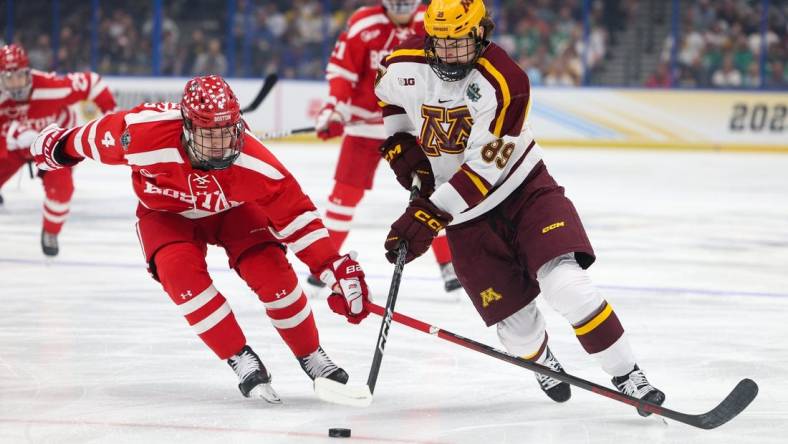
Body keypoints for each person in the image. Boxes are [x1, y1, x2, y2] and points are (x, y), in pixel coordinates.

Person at [374, 0, 665, 415]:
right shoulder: (404, 63)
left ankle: (630, 376)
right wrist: (401, 145)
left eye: (459, 43)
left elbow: (482, 170)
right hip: (466, 220)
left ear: (480, 33)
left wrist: (428, 214)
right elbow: (389, 98)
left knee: (566, 285)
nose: (449, 53)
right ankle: (541, 358)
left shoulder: (506, 81)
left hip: (523, 193)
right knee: (518, 333)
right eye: (440, 43)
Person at [31, 75, 372, 403]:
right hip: (166, 216)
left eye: (229, 131)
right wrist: (57, 147)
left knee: (275, 275)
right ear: (188, 127)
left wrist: (332, 269)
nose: (224, 144)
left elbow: (297, 216)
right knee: (180, 277)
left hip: (234, 212)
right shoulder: (142, 134)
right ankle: (240, 358)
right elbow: (91, 139)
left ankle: (312, 355)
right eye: (211, 134)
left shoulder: (255, 163)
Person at [313, 0, 462, 293]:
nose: (403, 8)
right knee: (344, 196)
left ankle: (448, 263)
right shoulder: (364, 24)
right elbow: (343, 73)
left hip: (415, 127)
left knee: (436, 192)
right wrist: (335, 111)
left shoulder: (433, 21)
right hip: (364, 128)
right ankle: (325, 264)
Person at [0, 43, 116, 256]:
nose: (15, 84)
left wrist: (113, 114)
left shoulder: (51, 86)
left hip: (51, 146)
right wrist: (12, 134)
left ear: (29, 73)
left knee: (61, 189)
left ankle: (50, 231)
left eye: (20, 76)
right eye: (9, 77)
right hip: (16, 148)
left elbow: (92, 83)